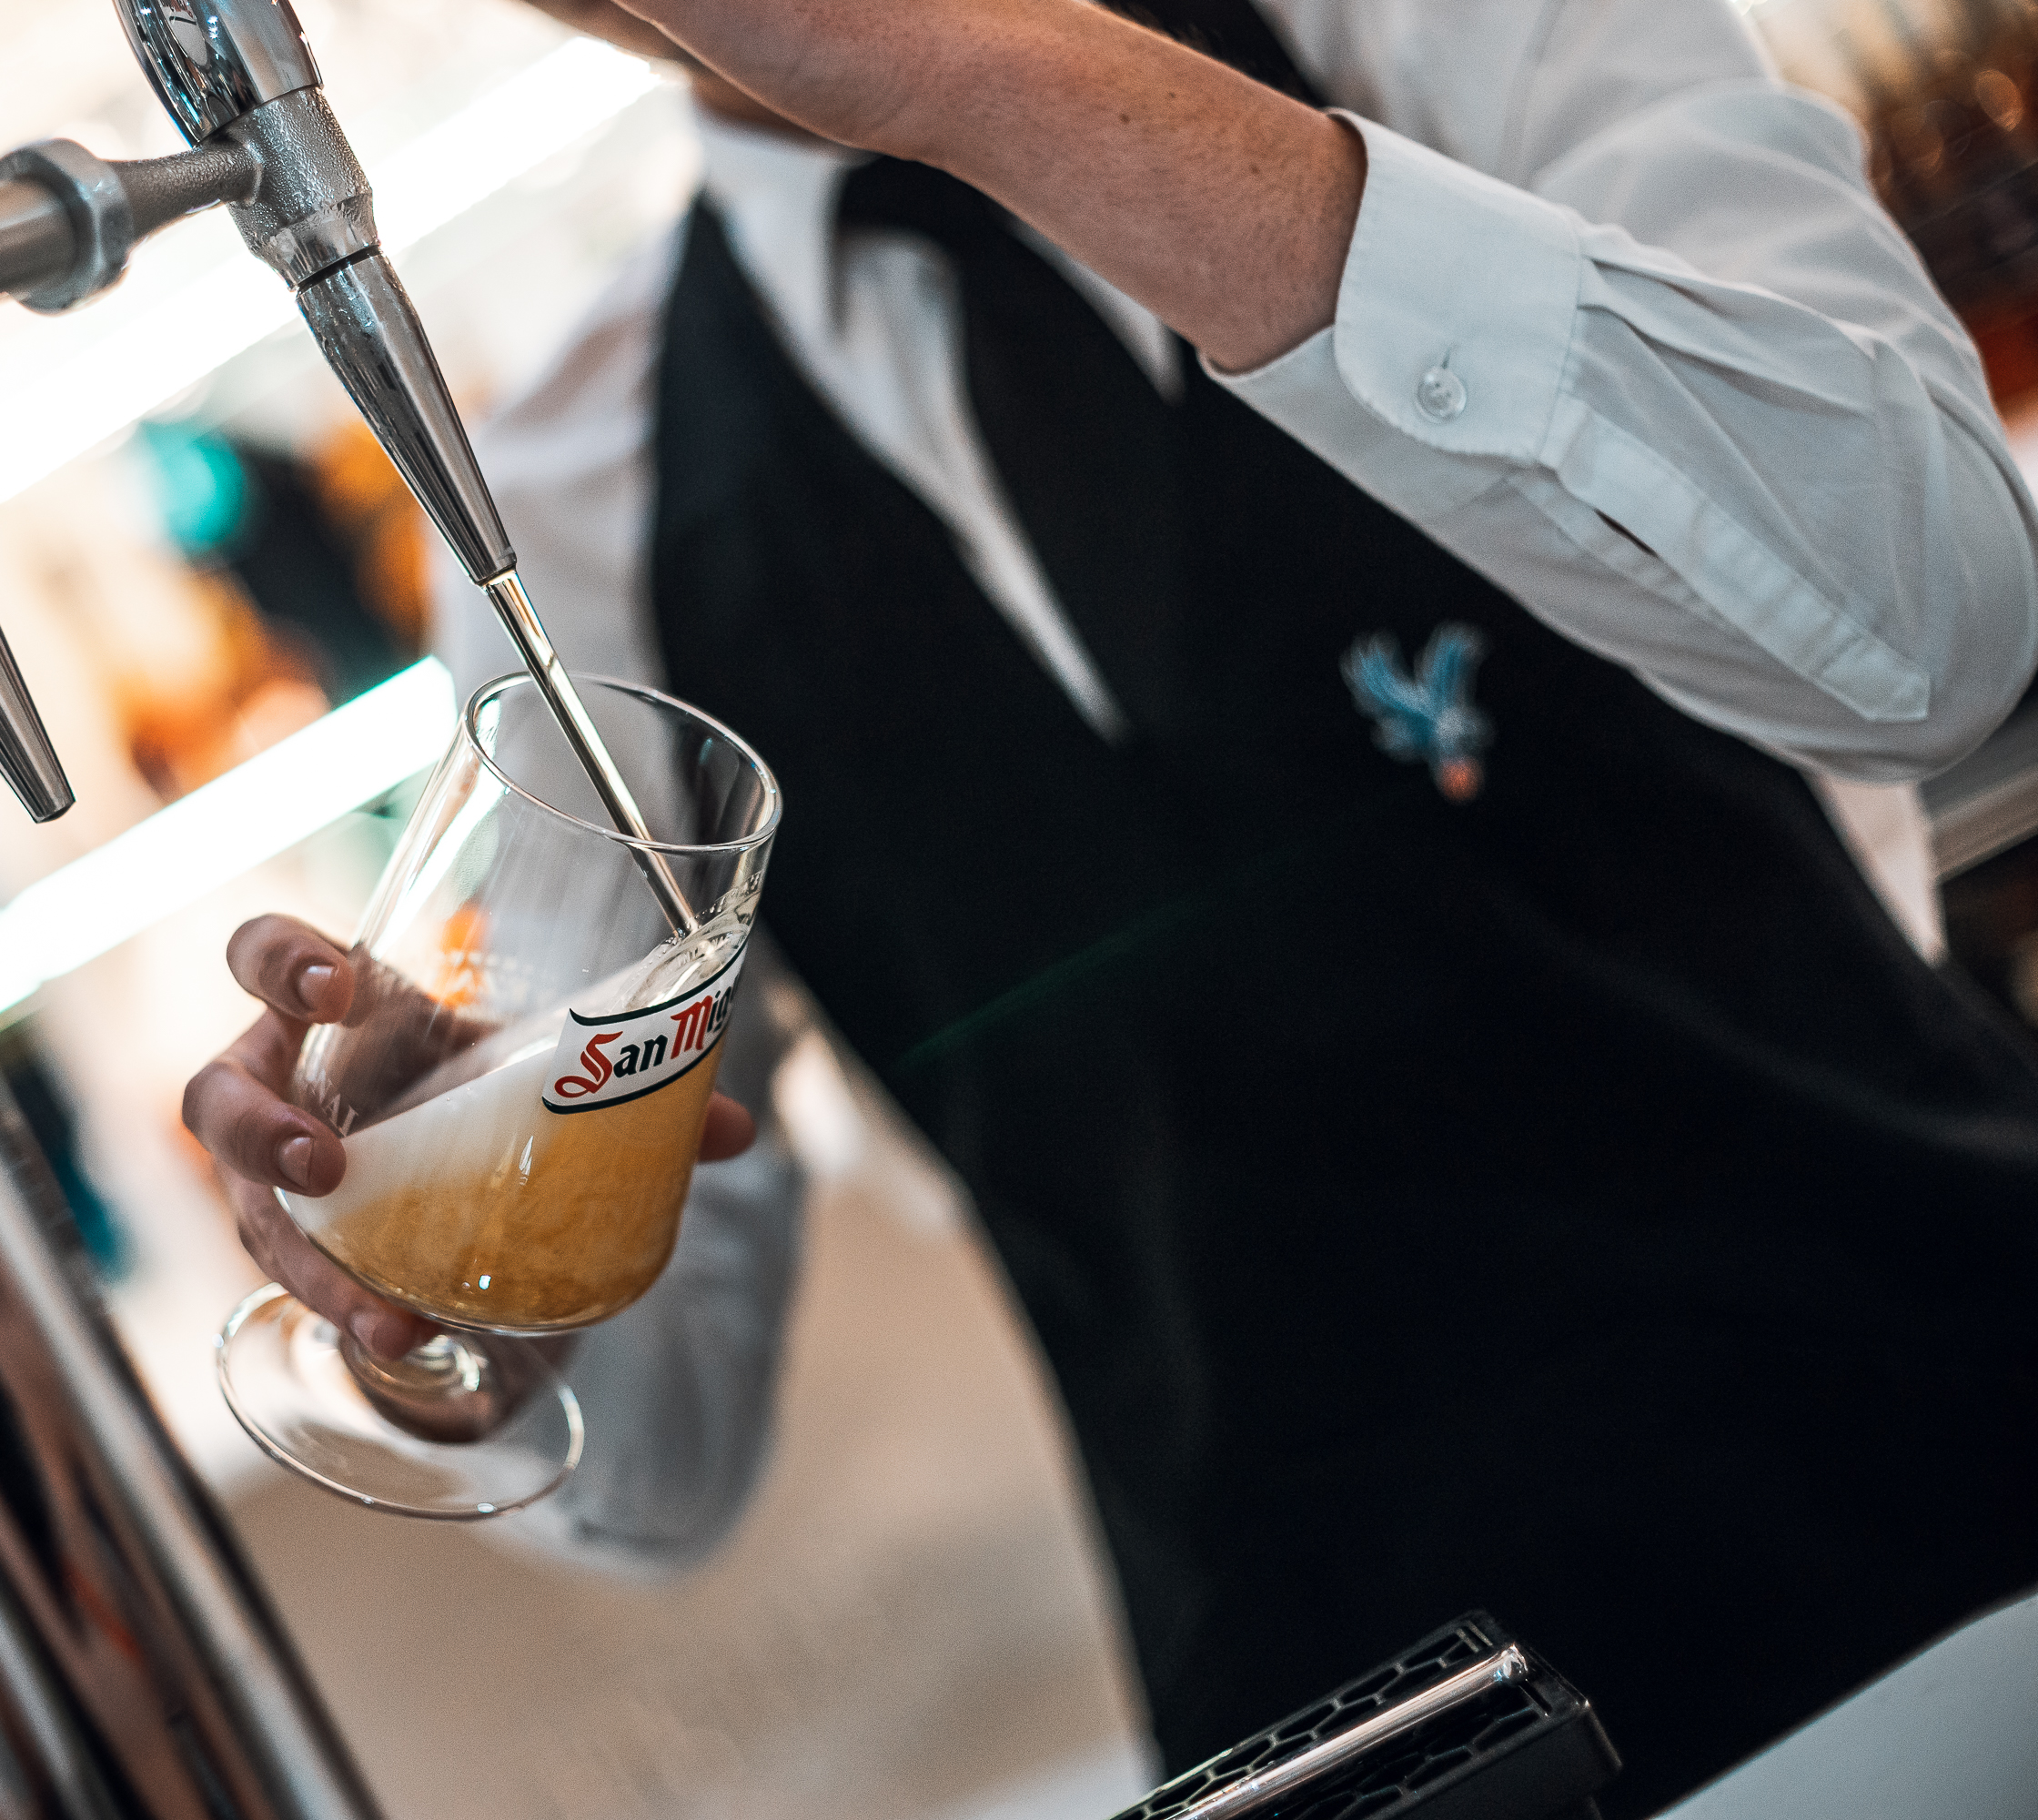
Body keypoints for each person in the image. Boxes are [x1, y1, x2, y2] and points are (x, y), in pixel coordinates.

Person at [185, 2, 2038, 1812]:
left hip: (1972, 1530)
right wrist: (445, 1302)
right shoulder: (575, 499)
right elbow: (661, 1462)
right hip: (1360, 1741)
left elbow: (1937, 622)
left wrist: (974, 65)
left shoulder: (1439, 34)